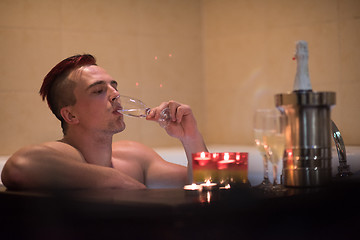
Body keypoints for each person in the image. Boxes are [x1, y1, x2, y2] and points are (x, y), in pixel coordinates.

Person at [1, 54, 208, 190]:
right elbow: (17, 167)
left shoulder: (134, 157)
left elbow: (207, 186)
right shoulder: (66, 154)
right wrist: (117, 180)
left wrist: (191, 137)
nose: (115, 94)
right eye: (99, 90)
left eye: (114, 87)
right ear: (71, 116)